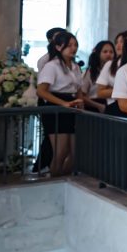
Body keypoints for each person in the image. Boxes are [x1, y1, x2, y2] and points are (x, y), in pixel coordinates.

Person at [35, 31, 85, 176]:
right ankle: (54, 179)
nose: (73, 48)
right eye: (69, 45)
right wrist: (63, 103)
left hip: (71, 105)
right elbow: (41, 91)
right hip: (55, 106)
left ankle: (62, 178)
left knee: (75, 152)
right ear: (58, 47)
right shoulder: (52, 65)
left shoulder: (75, 66)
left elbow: (78, 89)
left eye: (75, 45)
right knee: (61, 151)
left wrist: (81, 105)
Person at [96, 30, 127, 116]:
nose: (118, 45)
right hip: (113, 107)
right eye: (116, 42)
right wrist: (123, 90)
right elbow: (100, 92)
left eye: (122, 42)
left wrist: (112, 89)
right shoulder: (110, 64)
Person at [82, 40, 115, 113]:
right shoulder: (91, 72)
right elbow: (82, 95)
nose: (108, 54)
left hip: (111, 104)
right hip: (93, 106)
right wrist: (98, 106)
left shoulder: (115, 71)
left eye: (111, 52)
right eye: (105, 52)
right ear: (98, 53)